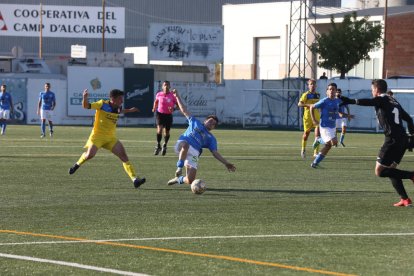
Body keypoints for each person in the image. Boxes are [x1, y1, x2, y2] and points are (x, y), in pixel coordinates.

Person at [340, 79, 414, 207]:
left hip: (392, 140)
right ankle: (405, 199)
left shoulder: (382, 99)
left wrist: (350, 101)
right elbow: (408, 119)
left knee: (379, 171)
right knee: (391, 169)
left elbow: (369, 102)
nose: (372, 92)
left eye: (372, 89)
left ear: (376, 90)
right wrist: (412, 137)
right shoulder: (393, 101)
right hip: (402, 139)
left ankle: (412, 175)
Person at [68, 89, 146, 189]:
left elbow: (120, 111)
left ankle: (135, 179)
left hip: (110, 138)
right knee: (90, 155)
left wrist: (130, 110)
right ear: (113, 99)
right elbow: (86, 106)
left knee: (124, 157)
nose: (122, 101)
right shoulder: (102, 104)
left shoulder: (118, 107)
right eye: (120, 99)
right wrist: (84, 98)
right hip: (97, 136)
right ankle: (77, 164)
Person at [167, 90, 236, 186]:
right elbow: (184, 110)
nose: (212, 123)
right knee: (186, 145)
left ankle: (179, 179)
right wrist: (177, 96)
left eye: (214, 124)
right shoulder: (195, 122)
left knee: (190, 180)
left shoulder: (211, 138)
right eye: (211, 121)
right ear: (205, 121)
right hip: (182, 144)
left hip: (195, 154)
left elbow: (215, 153)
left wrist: (226, 163)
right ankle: (179, 168)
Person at [310, 83, 354, 168]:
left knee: (328, 145)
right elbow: (312, 107)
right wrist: (314, 120)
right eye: (330, 89)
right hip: (324, 126)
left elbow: (340, 114)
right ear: (327, 91)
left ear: (336, 91)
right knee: (334, 142)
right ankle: (319, 140)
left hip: (332, 126)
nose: (331, 91)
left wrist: (347, 115)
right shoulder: (324, 101)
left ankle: (315, 162)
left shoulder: (338, 101)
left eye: (333, 89)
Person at [152, 81, 178, 156]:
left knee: (166, 132)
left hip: (168, 115)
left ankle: (165, 145)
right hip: (160, 114)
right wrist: (154, 107)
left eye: (167, 85)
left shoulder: (172, 95)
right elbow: (156, 101)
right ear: (162, 87)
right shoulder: (159, 94)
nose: (166, 86)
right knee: (159, 129)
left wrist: (173, 109)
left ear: (169, 86)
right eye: (164, 85)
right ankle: (158, 145)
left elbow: (178, 105)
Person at [298, 79, 322, 159]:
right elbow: (299, 104)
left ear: (316, 86)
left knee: (318, 135)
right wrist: (310, 105)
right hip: (308, 117)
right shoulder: (305, 95)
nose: (312, 85)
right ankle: (303, 149)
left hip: (317, 117)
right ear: (308, 86)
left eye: (314, 84)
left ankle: (315, 153)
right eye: (311, 84)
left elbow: (319, 105)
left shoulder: (318, 95)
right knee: (306, 134)